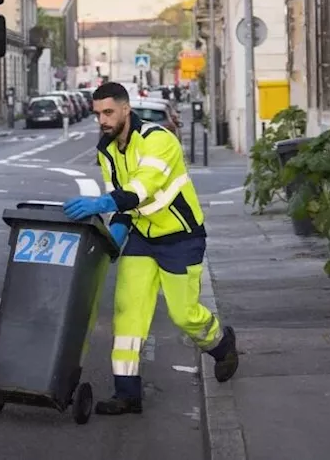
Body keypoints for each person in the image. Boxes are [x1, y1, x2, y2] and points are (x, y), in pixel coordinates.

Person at [63, 81, 238, 415]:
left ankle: (220, 343)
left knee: (184, 314)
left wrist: (99, 203)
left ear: (126, 109)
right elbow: (124, 203)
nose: (102, 119)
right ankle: (127, 393)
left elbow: (142, 188)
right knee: (128, 313)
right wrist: (114, 235)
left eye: (109, 112)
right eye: (98, 113)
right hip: (143, 239)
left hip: (180, 238)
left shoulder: (159, 140)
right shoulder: (108, 149)